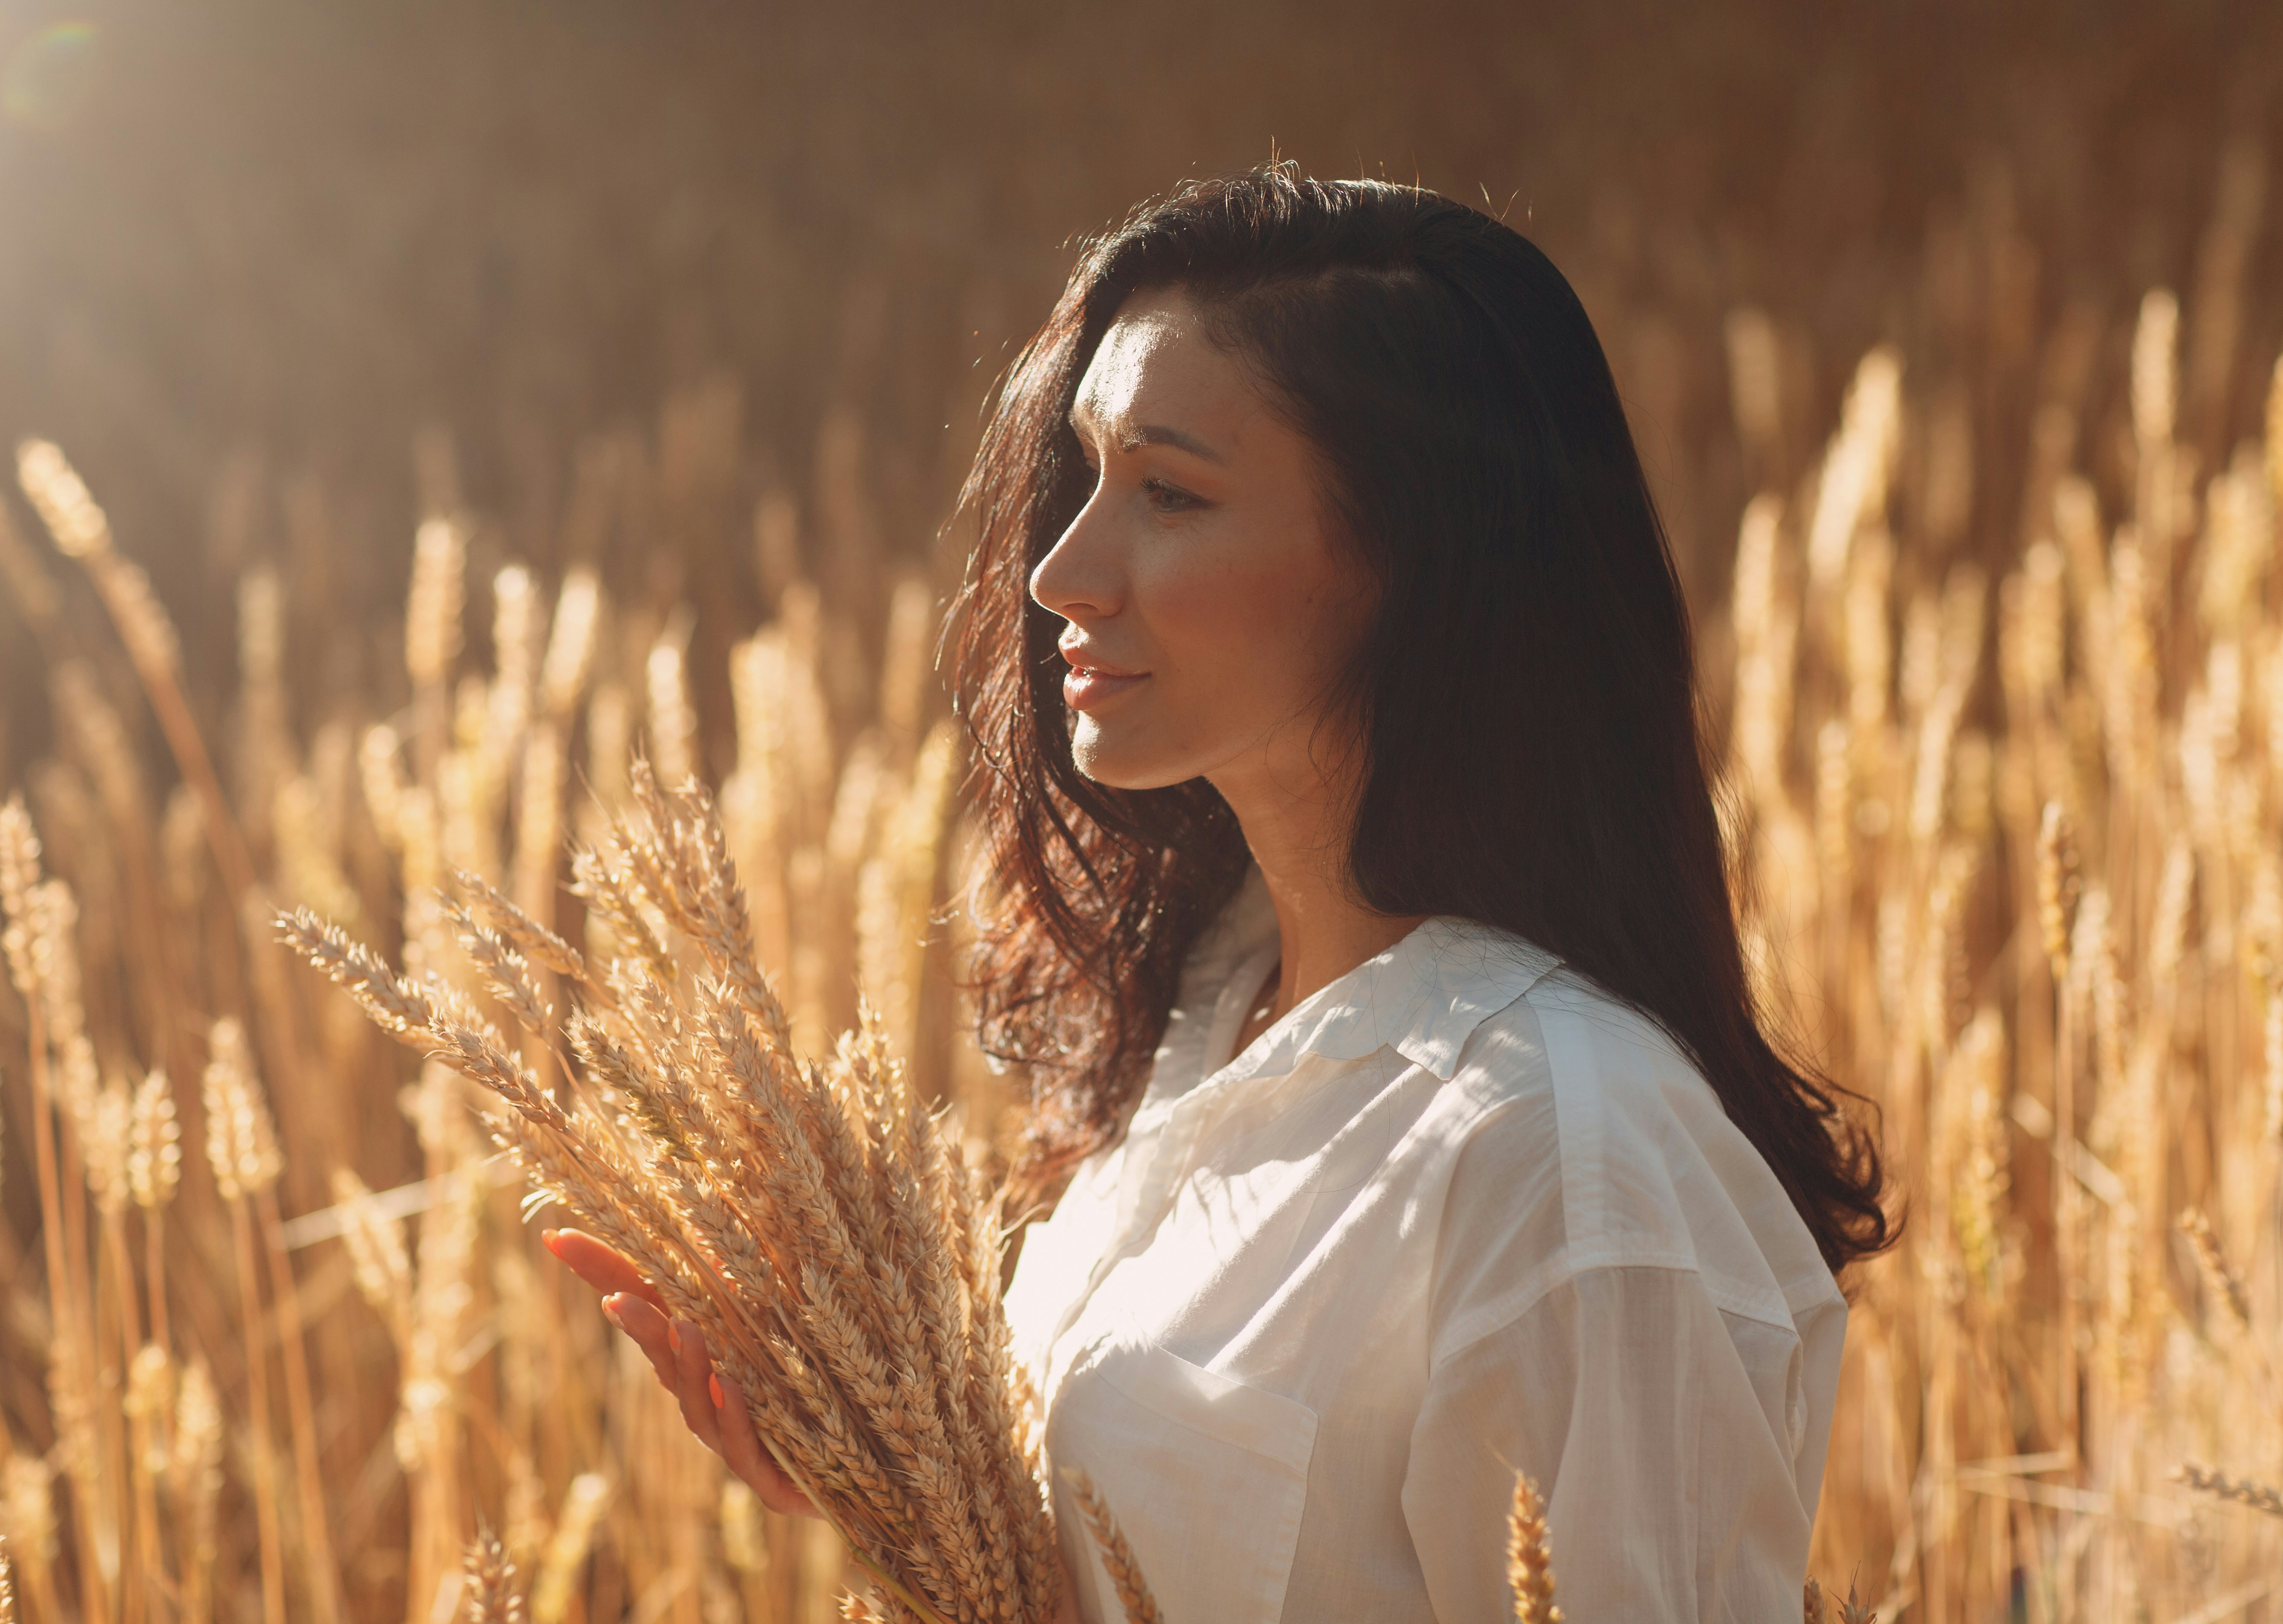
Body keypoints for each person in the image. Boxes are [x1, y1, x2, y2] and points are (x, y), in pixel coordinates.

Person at [551, 165, 1891, 1621]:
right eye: (1088, 476)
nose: (1063, 570)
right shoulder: (1206, 1014)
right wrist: (902, 1485)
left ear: (1412, 563)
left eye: (1173, 495)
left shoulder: (1563, 1150)